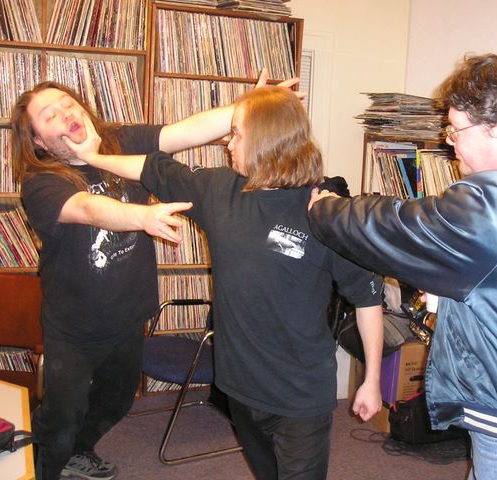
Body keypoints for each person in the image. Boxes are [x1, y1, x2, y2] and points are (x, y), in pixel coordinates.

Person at [307, 53, 497, 479]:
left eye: (456, 130)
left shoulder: (496, 208)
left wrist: (325, 208)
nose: (449, 141)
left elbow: (394, 227)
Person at [65, 85, 384, 480]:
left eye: (236, 134)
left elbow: (367, 297)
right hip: (238, 387)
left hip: (299, 396)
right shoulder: (219, 190)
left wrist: (371, 379)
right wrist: (92, 157)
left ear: (267, 140)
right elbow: (152, 168)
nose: (227, 144)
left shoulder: (323, 211)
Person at [10, 70, 296, 480]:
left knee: (117, 401)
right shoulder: (40, 182)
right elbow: (87, 209)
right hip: (75, 327)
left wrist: (250, 108)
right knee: (60, 419)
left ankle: (80, 451)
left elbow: (185, 132)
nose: (66, 113)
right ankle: (45, 468)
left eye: (67, 103)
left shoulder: (121, 141)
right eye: (49, 115)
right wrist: (141, 217)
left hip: (128, 315)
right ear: (38, 140)